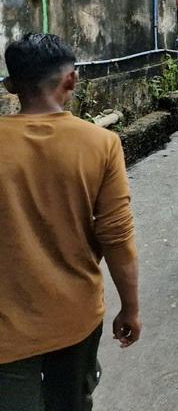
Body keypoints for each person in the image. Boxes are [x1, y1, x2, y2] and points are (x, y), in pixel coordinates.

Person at [0, 34, 141, 411]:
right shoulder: (100, 143)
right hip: (75, 315)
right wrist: (130, 307)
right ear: (72, 80)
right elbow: (116, 236)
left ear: (11, 87)